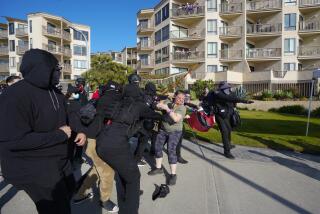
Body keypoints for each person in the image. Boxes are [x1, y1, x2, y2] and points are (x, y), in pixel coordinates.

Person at [0, 49, 86, 214]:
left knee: (68, 196)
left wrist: (79, 130)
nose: (59, 73)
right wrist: (59, 135)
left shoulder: (54, 91)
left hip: (59, 161)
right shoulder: (14, 96)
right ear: (42, 69)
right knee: (57, 209)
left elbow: (68, 113)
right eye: (56, 69)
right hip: (34, 167)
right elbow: (13, 141)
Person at [96, 83, 164, 214]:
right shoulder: (138, 106)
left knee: (122, 171)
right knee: (133, 177)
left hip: (102, 141)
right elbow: (159, 116)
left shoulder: (115, 102)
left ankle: (125, 197)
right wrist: (166, 109)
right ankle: (131, 209)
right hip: (115, 145)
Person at [72, 80, 121, 213]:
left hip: (91, 139)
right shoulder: (113, 100)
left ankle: (79, 194)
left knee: (97, 168)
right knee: (107, 171)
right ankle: (104, 200)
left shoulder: (99, 98)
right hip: (94, 141)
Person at [206, 82, 253, 159]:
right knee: (224, 131)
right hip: (220, 115)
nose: (228, 89)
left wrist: (234, 108)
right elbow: (229, 98)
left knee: (229, 130)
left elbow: (233, 101)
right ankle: (227, 151)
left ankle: (229, 144)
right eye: (226, 88)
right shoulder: (217, 93)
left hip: (228, 114)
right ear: (222, 88)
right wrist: (245, 101)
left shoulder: (230, 92)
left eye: (228, 87)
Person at [148, 90, 187, 186]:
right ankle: (158, 168)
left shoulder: (182, 108)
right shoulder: (168, 102)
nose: (181, 100)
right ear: (174, 97)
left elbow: (176, 119)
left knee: (171, 151)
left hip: (175, 132)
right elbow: (157, 105)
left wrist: (167, 109)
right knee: (157, 148)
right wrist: (159, 104)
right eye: (179, 98)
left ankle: (173, 175)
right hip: (163, 130)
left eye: (183, 98)